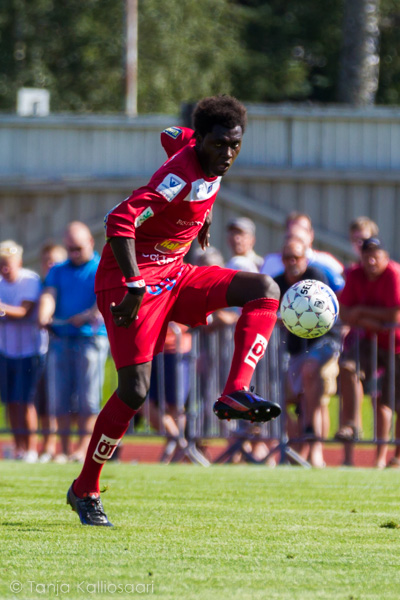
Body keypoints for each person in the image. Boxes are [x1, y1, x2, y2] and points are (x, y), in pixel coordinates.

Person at [67, 94, 281, 526]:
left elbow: (171, 135)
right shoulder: (178, 176)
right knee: (135, 390)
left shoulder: (192, 145)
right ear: (202, 140)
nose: (227, 154)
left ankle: (234, 392)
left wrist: (200, 220)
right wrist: (132, 286)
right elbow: (119, 222)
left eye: (234, 145)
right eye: (219, 144)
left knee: (264, 288)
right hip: (130, 282)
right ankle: (84, 488)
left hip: (175, 273)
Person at [38, 222, 109, 464]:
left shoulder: (101, 267)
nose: (74, 254)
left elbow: (104, 299)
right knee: (60, 398)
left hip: (91, 338)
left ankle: (83, 449)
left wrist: (88, 315)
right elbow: (50, 294)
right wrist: (44, 314)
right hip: (61, 338)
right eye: (70, 249)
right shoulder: (58, 270)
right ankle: (65, 449)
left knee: (88, 397)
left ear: (90, 243)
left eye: (78, 248)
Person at [274, 237, 341, 467]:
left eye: (297, 257)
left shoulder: (316, 277)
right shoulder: (276, 283)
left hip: (322, 347)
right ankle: (296, 449)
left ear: (306, 258)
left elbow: (318, 313)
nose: (293, 262)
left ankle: (316, 451)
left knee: (313, 383)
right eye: (288, 257)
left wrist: (288, 318)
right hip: (292, 353)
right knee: (278, 398)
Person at [336, 237, 400, 468]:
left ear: (386, 257)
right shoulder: (355, 274)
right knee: (347, 366)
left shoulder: (394, 274)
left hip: (397, 345)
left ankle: (390, 458)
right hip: (370, 340)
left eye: (376, 255)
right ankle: (353, 423)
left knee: (391, 403)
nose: (371, 261)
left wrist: (361, 312)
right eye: (367, 256)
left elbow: (395, 317)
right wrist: (372, 319)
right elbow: (344, 313)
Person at [0, 240, 46, 462]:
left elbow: (24, 311)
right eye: (1, 264)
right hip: (6, 350)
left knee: (25, 400)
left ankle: (30, 448)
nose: (5, 269)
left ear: (18, 261)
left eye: (8, 264)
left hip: (29, 350)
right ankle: (17, 447)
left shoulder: (29, 280)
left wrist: (2, 310)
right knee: (10, 401)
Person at [34, 242, 68, 463]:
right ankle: (44, 446)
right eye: (47, 261)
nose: (50, 265)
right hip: (36, 350)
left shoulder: (63, 284)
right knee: (41, 401)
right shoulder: (38, 284)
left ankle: (58, 447)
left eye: (54, 261)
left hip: (59, 348)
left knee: (58, 401)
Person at [261, 212, 345, 294]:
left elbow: (342, 292)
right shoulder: (271, 261)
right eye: (291, 235)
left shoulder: (327, 261)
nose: (292, 261)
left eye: (302, 229)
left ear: (311, 234)